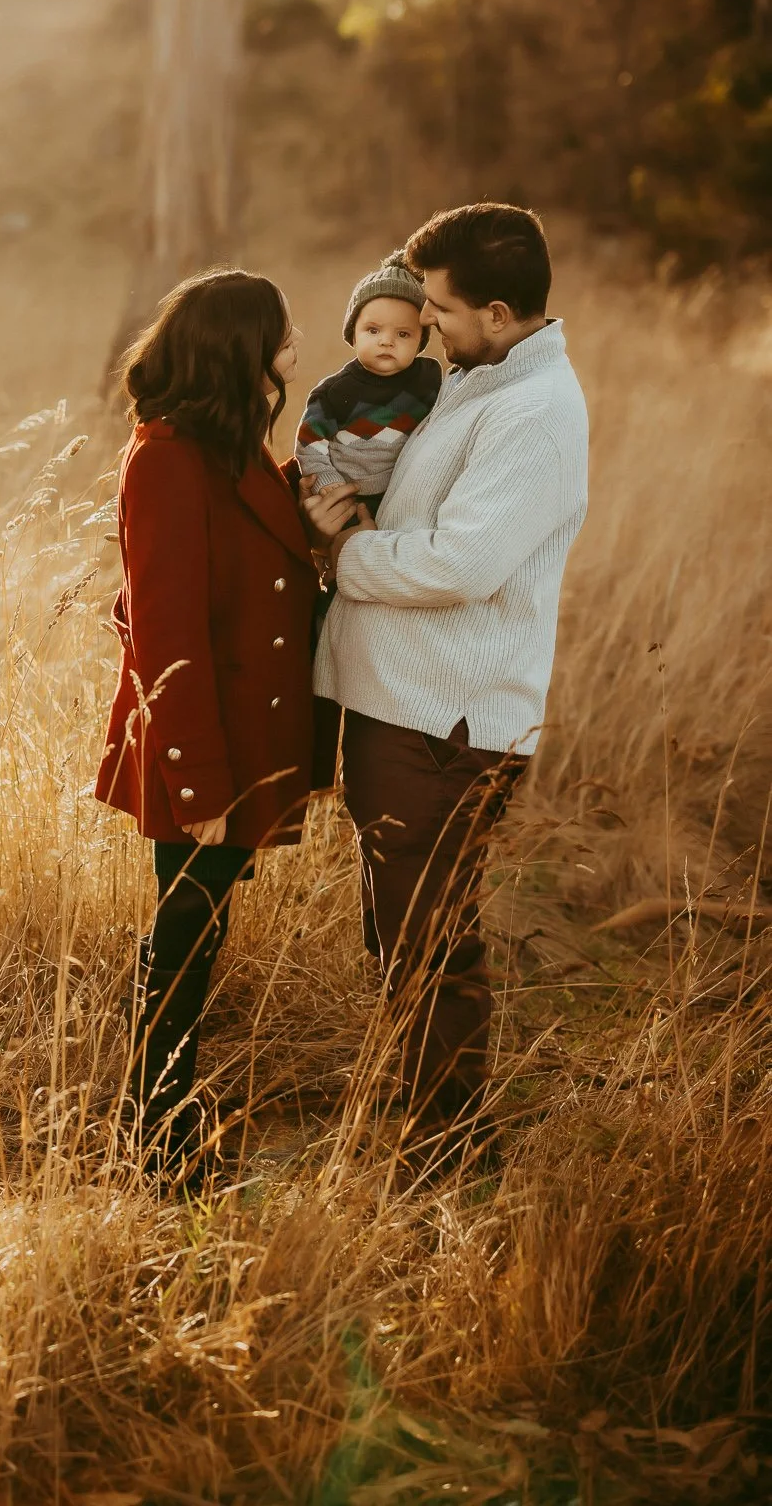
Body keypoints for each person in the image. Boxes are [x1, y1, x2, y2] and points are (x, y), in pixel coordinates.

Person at [302, 203, 588, 1171]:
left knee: (429, 943)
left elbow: (459, 562)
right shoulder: (475, 376)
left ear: (498, 312)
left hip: (445, 718)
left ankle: (453, 1154)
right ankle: (420, 1109)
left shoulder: (531, 413)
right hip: (399, 704)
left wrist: (344, 550)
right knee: (399, 928)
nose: (422, 322)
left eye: (438, 307)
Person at [94, 270, 352, 1182]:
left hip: (242, 739)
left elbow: (252, 537)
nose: (299, 337)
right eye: (284, 328)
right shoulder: (164, 458)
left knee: (194, 929)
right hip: (199, 751)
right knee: (184, 938)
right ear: (241, 346)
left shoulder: (228, 442)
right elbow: (166, 634)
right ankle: (156, 1142)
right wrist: (199, 785)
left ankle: (159, 1119)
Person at [295, 250, 443, 789]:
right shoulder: (334, 392)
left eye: (404, 334)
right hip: (351, 501)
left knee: (379, 620)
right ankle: (316, 766)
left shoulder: (429, 385)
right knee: (329, 629)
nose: (387, 341)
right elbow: (309, 446)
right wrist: (334, 491)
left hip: (399, 507)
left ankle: (386, 735)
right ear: (352, 331)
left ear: (421, 343)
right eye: (374, 329)